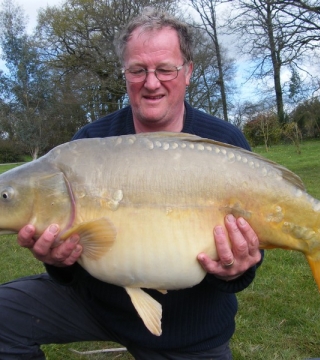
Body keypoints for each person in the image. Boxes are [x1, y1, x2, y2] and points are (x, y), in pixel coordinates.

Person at [0, 8, 264, 360]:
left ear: (188, 73)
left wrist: (236, 269)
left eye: (165, 69)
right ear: (124, 73)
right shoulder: (90, 142)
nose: (151, 82)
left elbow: (245, 268)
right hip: (100, 306)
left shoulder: (225, 144)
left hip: (192, 329)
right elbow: (69, 268)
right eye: (137, 70)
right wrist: (58, 262)